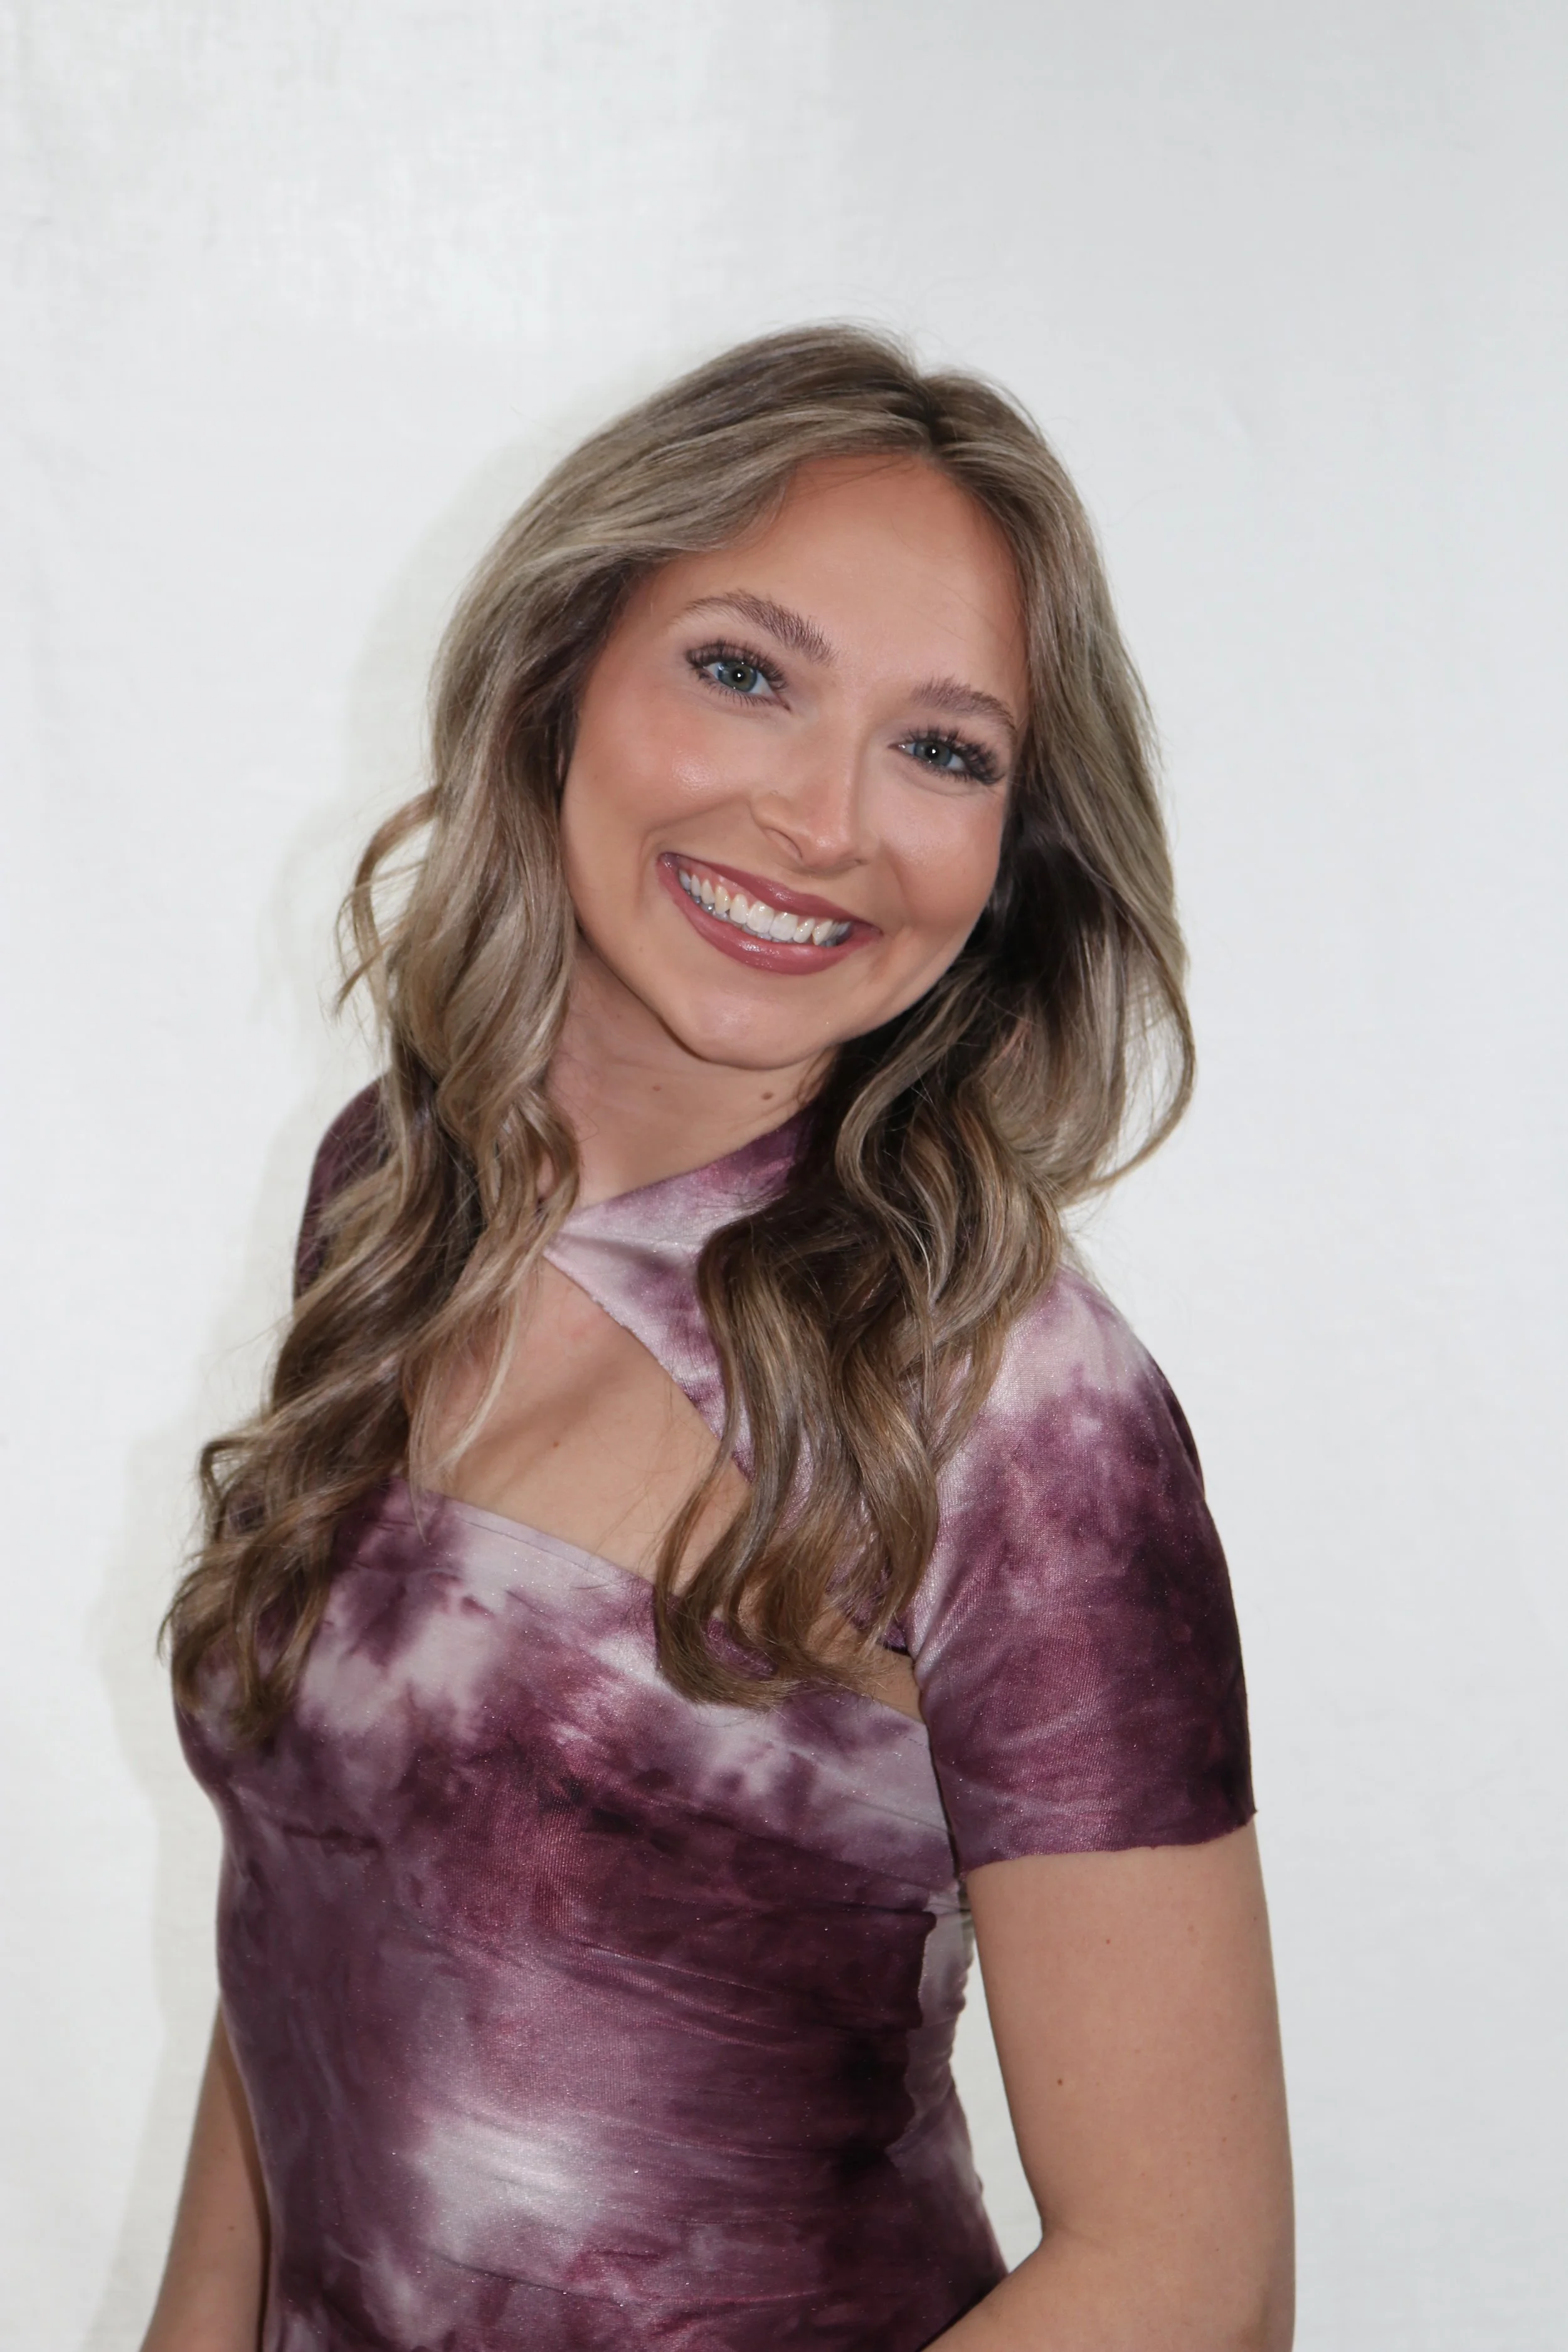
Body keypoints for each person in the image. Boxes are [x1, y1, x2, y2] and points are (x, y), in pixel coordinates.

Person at [145, 326, 1293, 2352]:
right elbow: (312, 1953)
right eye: (744, 671)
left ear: (1011, 855)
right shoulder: (400, 1187)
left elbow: (1188, 2278)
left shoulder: (1014, 1410)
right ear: (556, 672)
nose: (819, 819)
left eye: (943, 749)